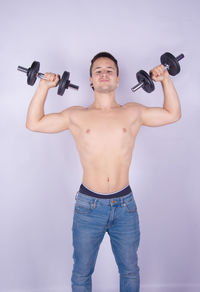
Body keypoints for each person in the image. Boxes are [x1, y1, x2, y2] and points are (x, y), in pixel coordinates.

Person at [26, 52, 181, 292]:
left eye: (109, 70)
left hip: (125, 206)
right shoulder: (77, 115)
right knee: (82, 273)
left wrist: (165, 79)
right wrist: (44, 86)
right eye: (98, 71)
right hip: (88, 207)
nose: (104, 73)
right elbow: (34, 123)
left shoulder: (133, 112)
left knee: (129, 270)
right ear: (91, 80)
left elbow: (172, 114)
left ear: (118, 79)